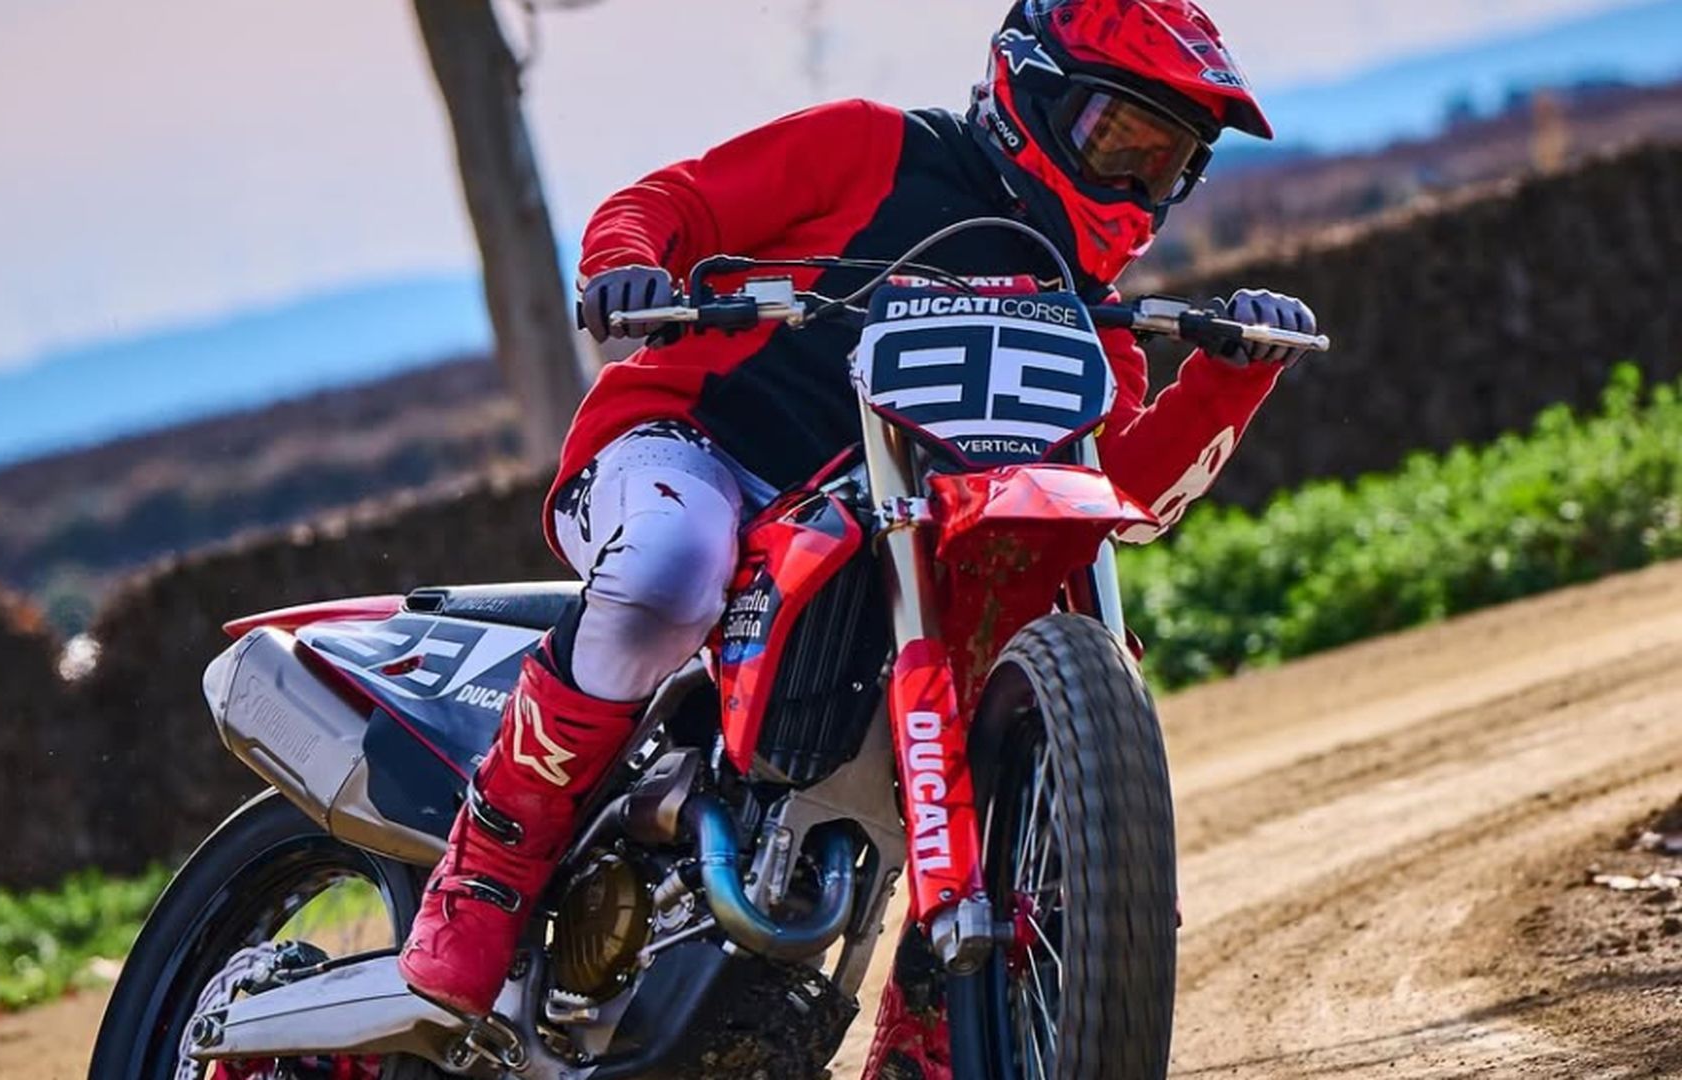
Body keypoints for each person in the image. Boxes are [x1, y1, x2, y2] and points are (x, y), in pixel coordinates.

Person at [400, 0, 1318, 1027]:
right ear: (1034, 96)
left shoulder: (1085, 320)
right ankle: (493, 859)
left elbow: (1123, 504)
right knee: (669, 565)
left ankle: (949, 1022)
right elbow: (674, 200)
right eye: (1117, 139)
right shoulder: (874, 149)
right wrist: (626, 262)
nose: (1132, 183)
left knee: (1002, 657)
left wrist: (1232, 378)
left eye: (1162, 163)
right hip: (698, 452)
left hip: (879, 544)